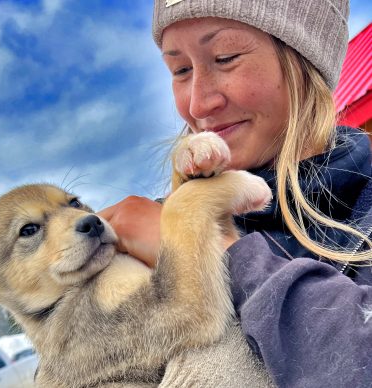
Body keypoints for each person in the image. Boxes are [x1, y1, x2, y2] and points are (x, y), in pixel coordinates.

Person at [98, 0, 372, 386]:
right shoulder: (145, 228)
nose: (198, 104)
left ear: (305, 61)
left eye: (225, 57)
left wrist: (201, 250)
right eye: (180, 70)